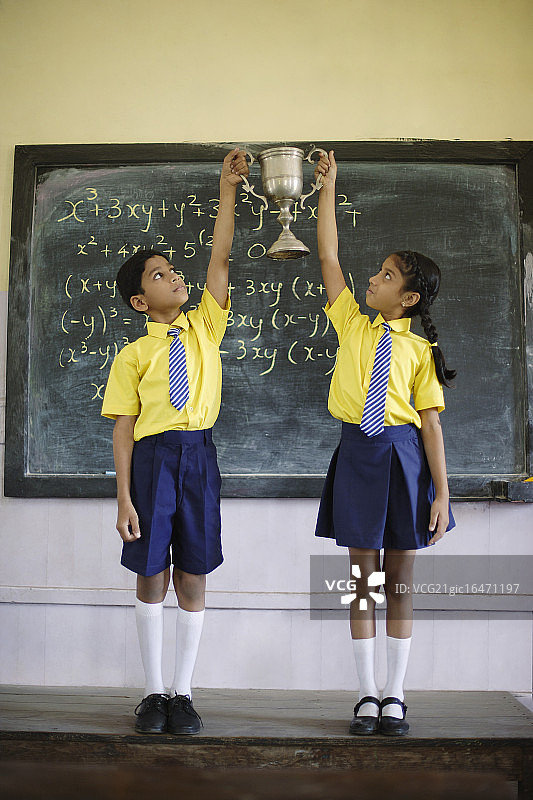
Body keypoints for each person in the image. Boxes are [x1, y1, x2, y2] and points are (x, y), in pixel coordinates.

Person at [101, 149, 248, 735]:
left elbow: (219, 258)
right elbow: (123, 428)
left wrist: (227, 191)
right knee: (150, 573)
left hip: (199, 456)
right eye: (159, 275)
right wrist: (124, 497)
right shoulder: (133, 354)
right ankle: (152, 692)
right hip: (153, 461)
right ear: (140, 301)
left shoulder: (206, 326)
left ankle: (182, 692)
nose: (174, 277)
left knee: (193, 570)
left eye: (172, 270)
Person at [314, 150, 456, 737]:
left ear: (409, 299)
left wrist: (441, 495)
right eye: (376, 272)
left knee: (398, 583)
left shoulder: (420, 353)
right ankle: (366, 694)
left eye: (387, 276)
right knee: (363, 583)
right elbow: (329, 256)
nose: (373, 279)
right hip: (357, 455)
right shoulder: (352, 323)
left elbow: (430, 428)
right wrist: (329, 187)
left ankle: (395, 695)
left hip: (403, 461)